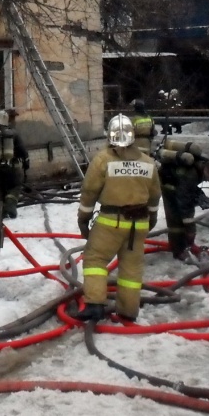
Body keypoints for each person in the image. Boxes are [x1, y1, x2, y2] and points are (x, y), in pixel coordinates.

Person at [72, 114, 161, 323]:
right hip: (139, 224)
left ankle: (94, 304)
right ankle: (128, 311)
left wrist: (83, 219)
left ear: (110, 136)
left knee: (95, 259)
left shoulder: (103, 159)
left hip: (110, 222)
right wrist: (152, 219)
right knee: (131, 268)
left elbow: (89, 192)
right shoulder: (148, 162)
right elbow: (155, 196)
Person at [155, 139, 209, 261]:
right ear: (207, 170)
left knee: (182, 219)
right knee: (175, 221)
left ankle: (186, 245)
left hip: (179, 185)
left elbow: (187, 188)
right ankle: (178, 251)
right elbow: (184, 200)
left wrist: (198, 195)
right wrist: (190, 227)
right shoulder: (192, 175)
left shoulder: (201, 166)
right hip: (168, 187)